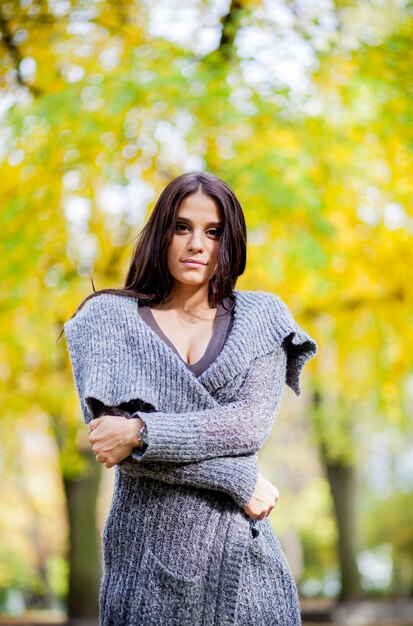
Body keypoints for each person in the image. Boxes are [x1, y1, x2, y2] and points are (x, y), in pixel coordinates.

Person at [62, 171, 317, 625]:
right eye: (182, 227)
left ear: (231, 241)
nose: (197, 244)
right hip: (143, 569)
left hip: (245, 573)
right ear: (162, 233)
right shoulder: (108, 322)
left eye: (213, 231)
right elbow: (111, 445)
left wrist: (143, 431)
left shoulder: (262, 319)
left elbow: (246, 425)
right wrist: (240, 481)